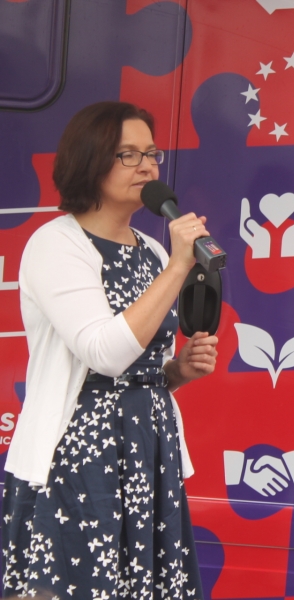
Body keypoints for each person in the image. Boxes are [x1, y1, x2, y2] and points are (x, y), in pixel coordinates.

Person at [2, 101, 218, 598]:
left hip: (148, 450)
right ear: (90, 160)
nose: (147, 166)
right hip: (80, 456)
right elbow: (103, 354)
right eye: (128, 155)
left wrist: (177, 372)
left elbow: (139, 365)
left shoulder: (153, 251)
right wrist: (178, 268)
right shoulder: (56, 244)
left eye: (152, 153)